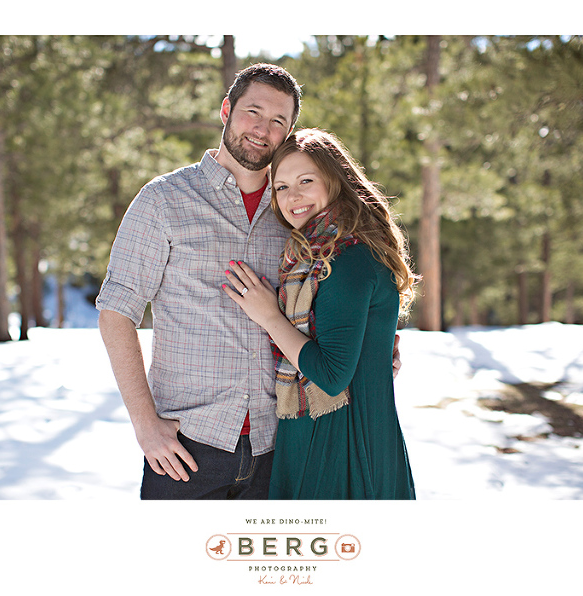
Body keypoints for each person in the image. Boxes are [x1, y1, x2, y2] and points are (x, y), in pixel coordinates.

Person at [97, 63, 401, 500]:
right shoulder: (163, 201)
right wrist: (146, 424)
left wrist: (374, 341)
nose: (262, 129)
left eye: (278, 121)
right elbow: (116, 312)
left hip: (280, 448)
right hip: (187, 446)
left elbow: (338, 296)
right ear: (226, 110)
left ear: (290, 131)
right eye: (253, 112)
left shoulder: (295, 215)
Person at [222, 128, 416, 499]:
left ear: (335, 180)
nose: (292, 196)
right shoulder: (313, 252)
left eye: (305, 181)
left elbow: (330, 374)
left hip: (343, 443)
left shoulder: (348, 256)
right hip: (323, 429)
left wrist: (270, 317)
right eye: (281, 187)